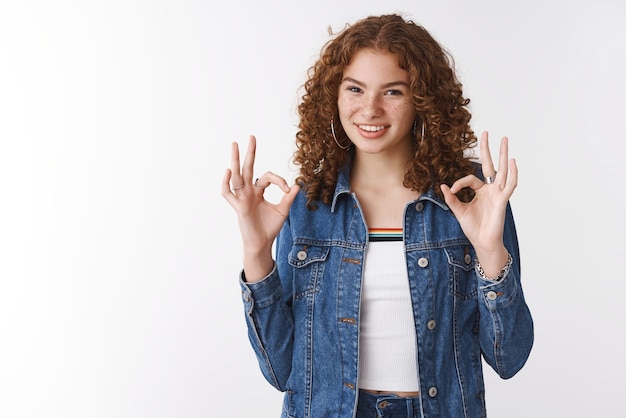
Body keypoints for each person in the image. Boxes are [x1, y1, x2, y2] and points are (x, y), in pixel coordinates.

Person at [221, 13, 533, 418]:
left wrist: (490, 250)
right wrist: (256, 252)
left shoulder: (470, 199)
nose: (369, 109)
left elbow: (509, 358)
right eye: (355, 89)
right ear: (333, 95)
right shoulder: (308, 203)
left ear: (423, 100)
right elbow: (282, 372)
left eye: (393, 92)